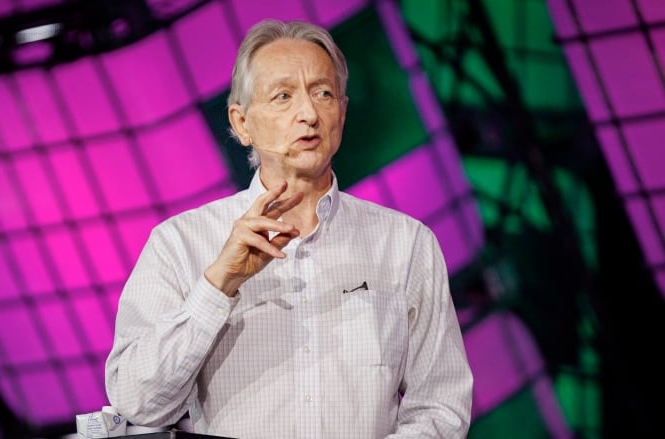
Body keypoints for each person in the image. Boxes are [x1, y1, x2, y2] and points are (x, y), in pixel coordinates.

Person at [105, 18, 473, 438]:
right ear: (241, 123)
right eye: (283, 96)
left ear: (343, 112)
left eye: (323, 93)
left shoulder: (406, 244)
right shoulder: (180, 243)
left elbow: (441, 407)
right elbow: (137, 402)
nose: (309, 113)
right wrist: (217, 286)